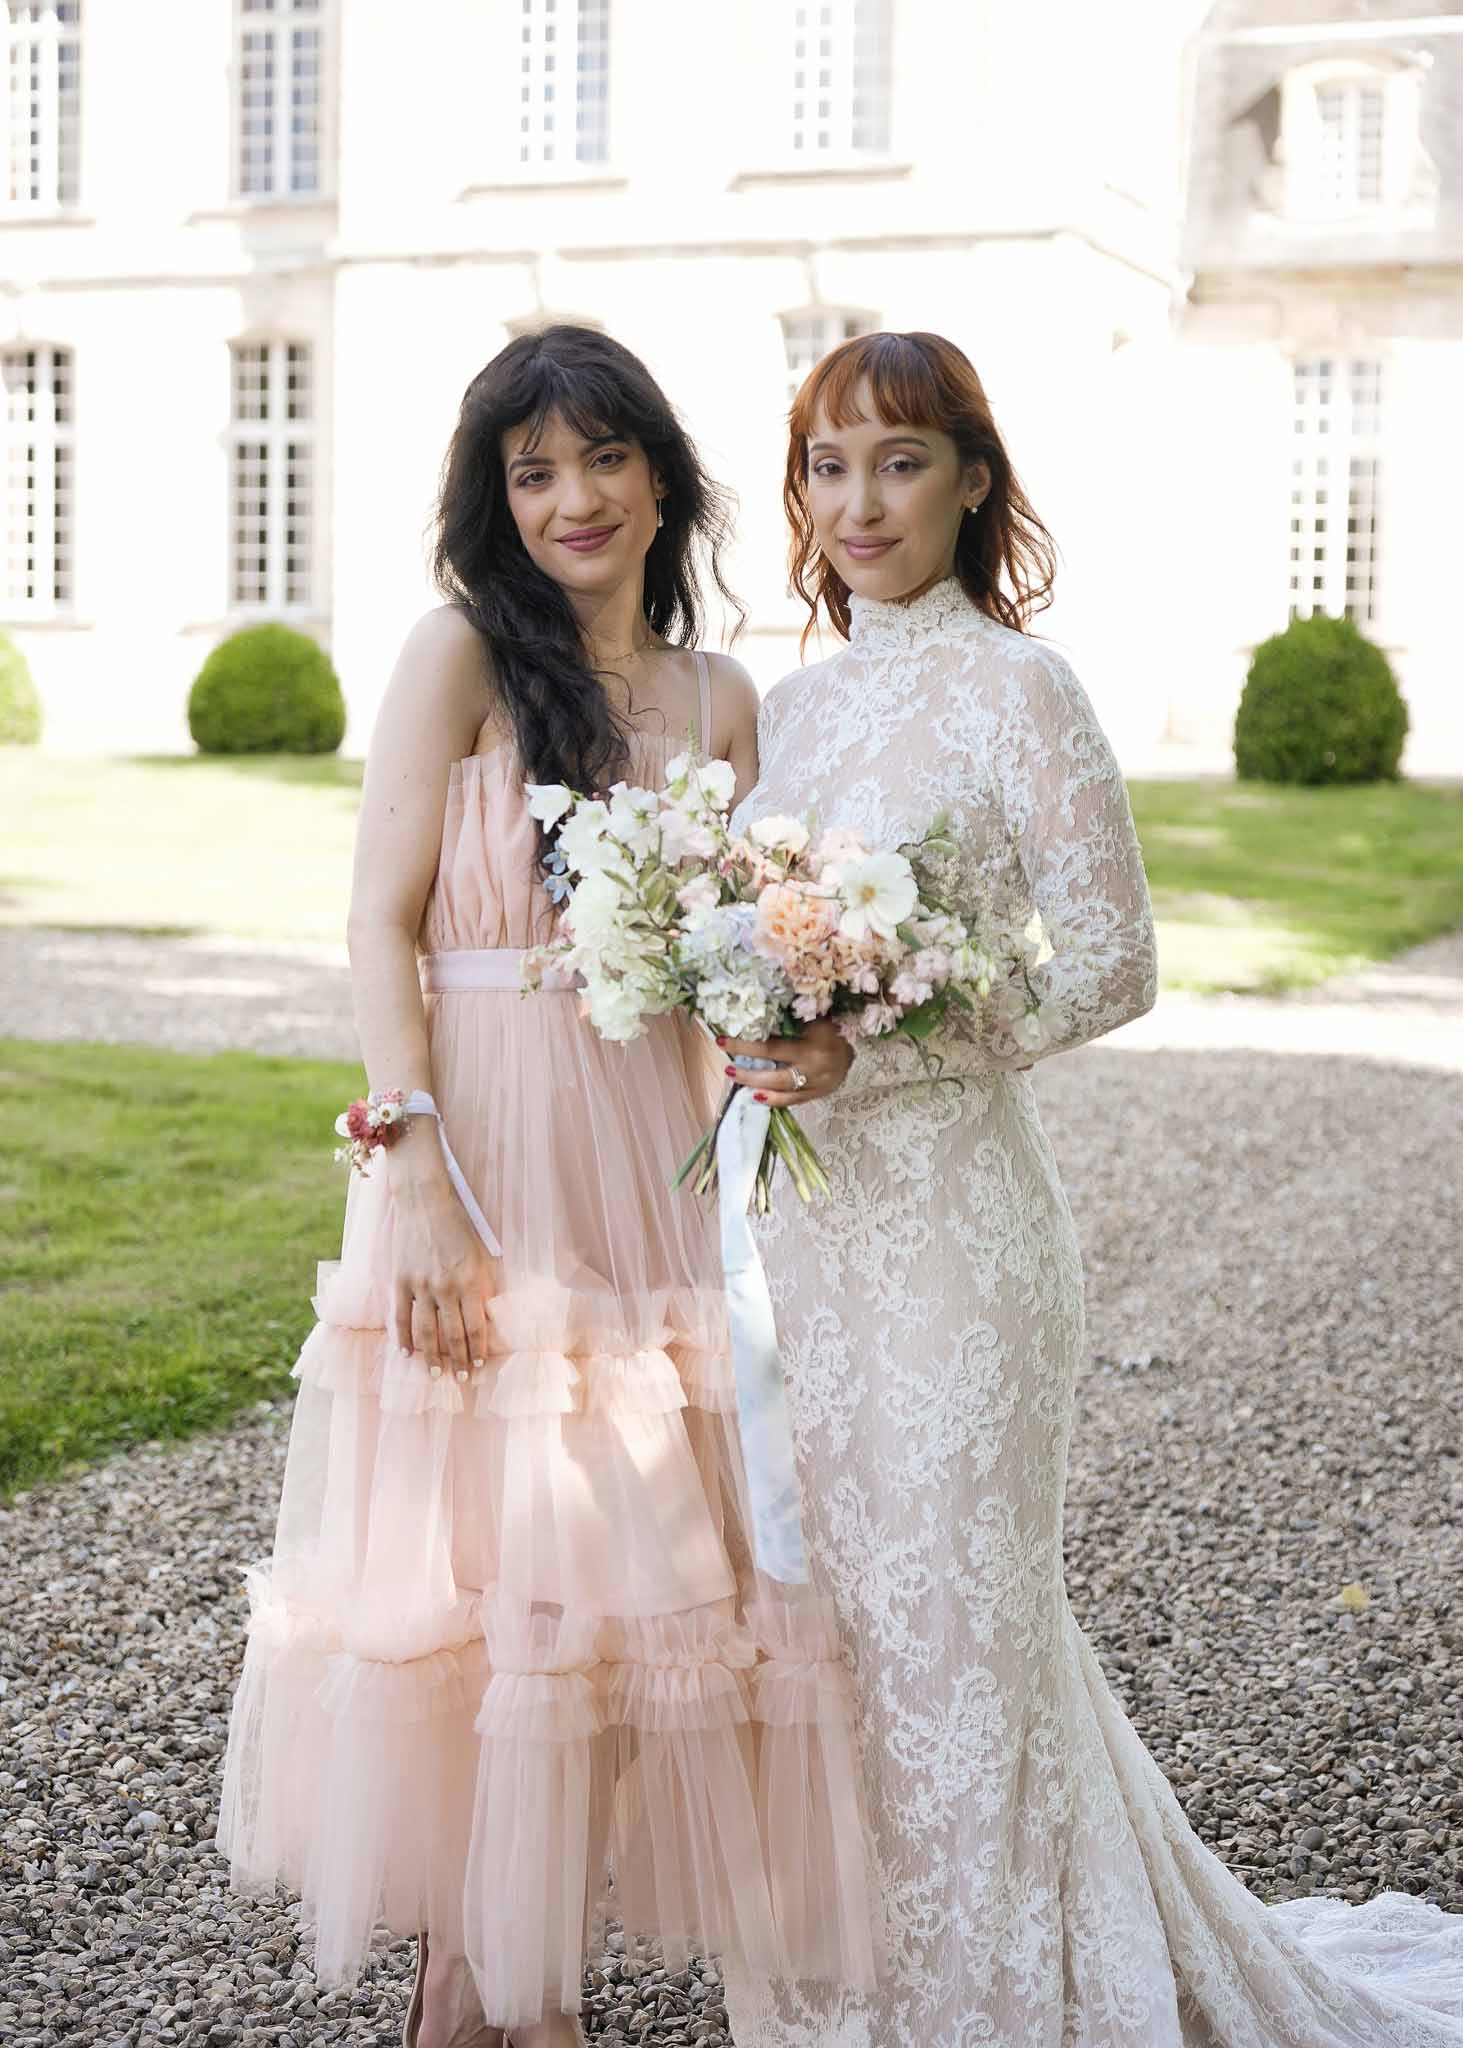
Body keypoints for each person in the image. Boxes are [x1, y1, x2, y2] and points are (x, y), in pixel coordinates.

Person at [717, 328, 1463, 2045]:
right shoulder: (802, 706)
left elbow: (1116, 961)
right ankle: (872, 1981)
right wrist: (753, 1015)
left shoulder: (1022, 691)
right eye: (828, 468)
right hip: (804, 1234)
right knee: (837, 1624)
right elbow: (764, 945)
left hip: (963, 1241)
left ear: (973, 479)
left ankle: (1010, 1997)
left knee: (964, 1624)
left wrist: (889, 1046)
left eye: (897, 462)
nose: (858, 503)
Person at [217, 325, 883, 2048]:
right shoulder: (460, 659)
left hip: (654, 1187)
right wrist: (414, 1164)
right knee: (487, 1586)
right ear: (495, 501)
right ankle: (482, 1990)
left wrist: (812, 1035)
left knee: (626, 1586)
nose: (571, 500)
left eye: (601, 461)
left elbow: (748, 957)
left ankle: (522, 1989)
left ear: (661, 476)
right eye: (531, 473)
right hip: (485, 1160)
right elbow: (378, 921)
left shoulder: (723, 697)